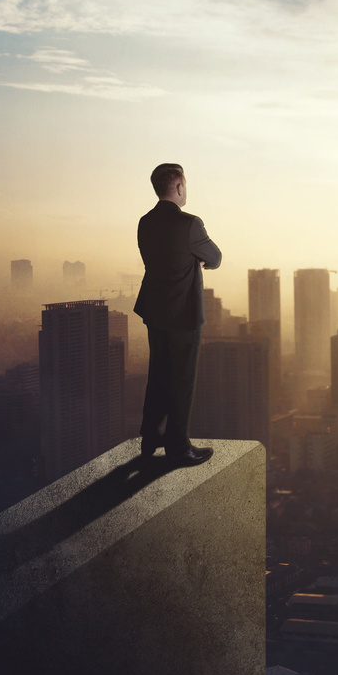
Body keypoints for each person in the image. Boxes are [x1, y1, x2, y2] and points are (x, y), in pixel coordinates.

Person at [133, 163, 222, 465]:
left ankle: (151, 435)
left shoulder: (144, 222)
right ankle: (178, 445)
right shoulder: (190, 224)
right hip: (183, 314)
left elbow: (161, 260)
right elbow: (216, 257)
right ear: (180, 187)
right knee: (182, 378)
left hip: (155, 312)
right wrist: (197, 261)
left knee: (158, 373)